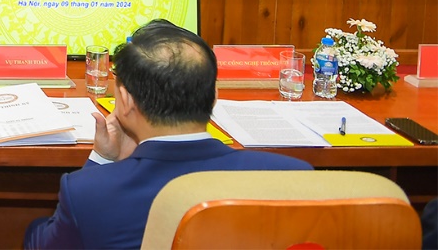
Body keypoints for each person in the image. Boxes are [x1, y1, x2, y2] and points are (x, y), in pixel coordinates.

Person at [24, 20, 311, 250]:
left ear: (125, 101)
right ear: (214, 96)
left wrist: (102, 159)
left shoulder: (88, 192)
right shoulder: (295, 178)